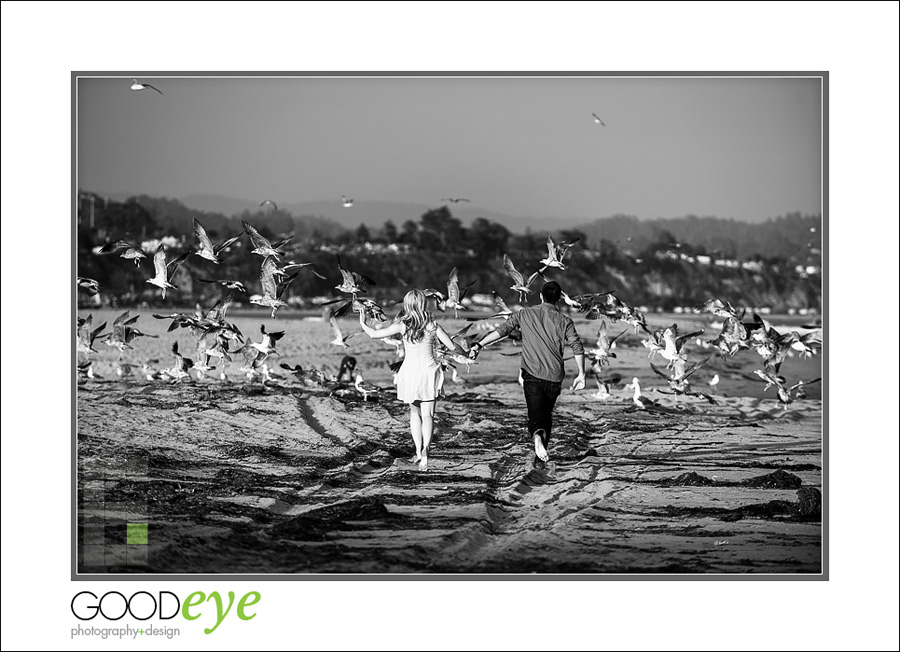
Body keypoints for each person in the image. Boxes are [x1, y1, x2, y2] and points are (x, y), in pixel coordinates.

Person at [468, 281, 586, 465]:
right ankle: (541, 456)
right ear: (559, 300)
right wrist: (582, 374)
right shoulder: (565, 321)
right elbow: (577, 347)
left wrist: (479, 345)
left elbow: (502, 331)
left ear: (540, 296)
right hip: (554, 376)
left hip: (532, 374)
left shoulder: (525, 313)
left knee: (536, 415)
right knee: (546, 415)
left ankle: (537, 440)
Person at [359, 289, 460, 471]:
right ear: (424, 304)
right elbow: (452, 346)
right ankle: (426, 454)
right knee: (428, 415)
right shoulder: (433, 325)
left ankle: (418, 452)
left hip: (410, 372)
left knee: (415, 414)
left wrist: (362, 322)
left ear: (407, 305)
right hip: (429, 371)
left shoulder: (403, 325)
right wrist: (469, 352)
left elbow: (374, 334)